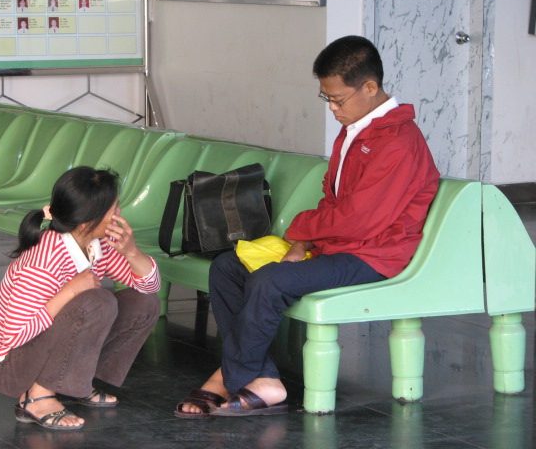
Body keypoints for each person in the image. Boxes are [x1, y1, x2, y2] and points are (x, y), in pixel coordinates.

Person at [174, 35, 440, 418]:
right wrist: (303, 243)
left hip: (374, 255)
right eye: (326, 98)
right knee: (228, 267)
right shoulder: (357, 129)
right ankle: (263, 379)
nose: (332, 108)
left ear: (370, 87)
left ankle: (228, 377)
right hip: (340, 246)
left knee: (271, 281)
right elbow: (334, 201)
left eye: (338, 99)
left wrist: (300, 231)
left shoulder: (398, 141)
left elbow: (359, 220)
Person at [0, 166, 161, 431]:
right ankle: (37, 398)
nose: (119, 214)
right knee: (97, 302)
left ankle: (77, 382)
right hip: (9, 366)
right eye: (114, 209)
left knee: (145, 304)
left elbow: (149, 286)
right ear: (87, 222)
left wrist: (131, 251)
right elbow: (14, 336)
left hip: (38, 350)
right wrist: (71, 291)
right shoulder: (43, 262)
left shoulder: (95, 244)